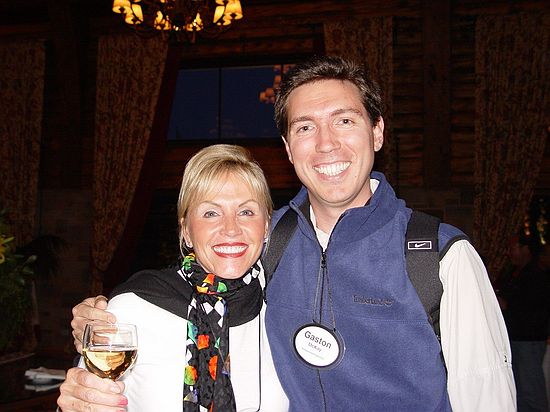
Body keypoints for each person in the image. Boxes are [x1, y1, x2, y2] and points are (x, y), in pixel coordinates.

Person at [68, 56, 515, 411]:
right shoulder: (269, 241)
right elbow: (199, 282)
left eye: (344, 120)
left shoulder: (438, 256)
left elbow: (487, 396)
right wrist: (99, 321)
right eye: (305, 127)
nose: (326, 143)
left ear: (377, 132)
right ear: (287, 148)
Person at [57, 144, 288, 411]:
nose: (231, 228)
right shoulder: (134, 307)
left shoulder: (285, 308)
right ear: (186, 230)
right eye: (211, 213)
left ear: (266, 225)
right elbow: (83, 400)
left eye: (246, 211)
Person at [497, 234, 550, 411]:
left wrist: (500, 302)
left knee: (530, 391)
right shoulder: (515, 273)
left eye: (512, 248)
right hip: (519, 339)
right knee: (520, 390)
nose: (509, 253)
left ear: (525, 249)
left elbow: (527, 308)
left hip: (528, 341)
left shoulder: (535, 275)